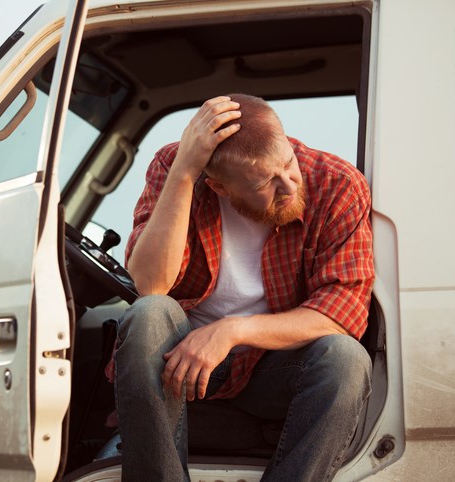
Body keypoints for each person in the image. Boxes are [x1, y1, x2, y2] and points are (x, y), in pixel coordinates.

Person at [112, 94, 375, 481]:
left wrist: (233, 331)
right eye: (267, 181)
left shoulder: (336, 183)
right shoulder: (175, 167)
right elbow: (152, 284)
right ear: (219, 187)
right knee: (149, 313)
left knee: (345, 359)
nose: (289, 185)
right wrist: (184, 172)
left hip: (273, 366)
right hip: (182, 368)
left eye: (288, 163)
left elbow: (343, 312)